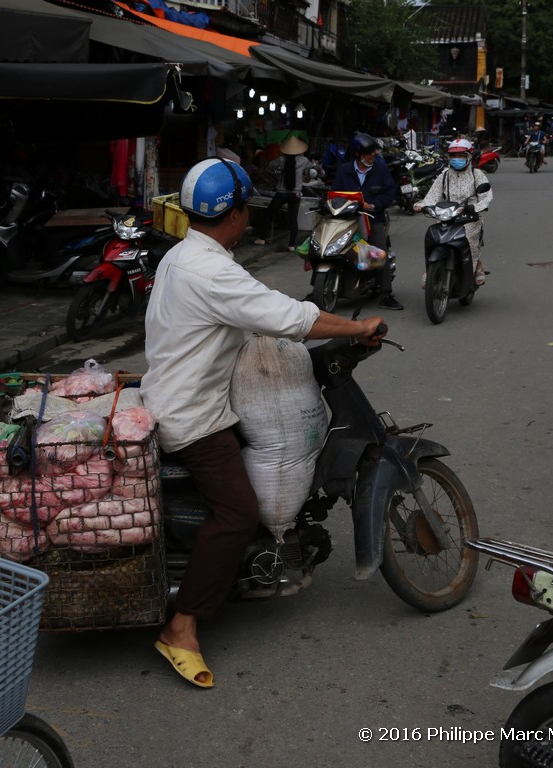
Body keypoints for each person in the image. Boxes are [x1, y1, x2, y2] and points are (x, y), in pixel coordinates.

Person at [141, 158, 386, 689]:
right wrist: (357, 324)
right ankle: (180, 628)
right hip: (192, 414)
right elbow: (289, 317)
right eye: (245, 209)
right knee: (237, 511)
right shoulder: (213, 270)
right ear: (233, 213)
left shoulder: (182, 255)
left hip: (173, 394)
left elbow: (246, 313)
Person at [330, 132, 403, 310]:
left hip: (373, 218)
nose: (374, 155)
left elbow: (389, 193)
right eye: (370, 152)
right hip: (347, 218)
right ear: (358, 154)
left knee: (379, 251)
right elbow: (334, 192)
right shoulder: (345, 170)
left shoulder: (381, 169)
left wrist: (375, 205)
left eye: (374, 152)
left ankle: (386, 293)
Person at [414, 138, 493, 285]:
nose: (457, 159)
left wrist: (474, 207)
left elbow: (486, 197)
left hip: (469, 218)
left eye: (461, 156)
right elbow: (432, 195)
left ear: (468, 156)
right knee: (434, 238)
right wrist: (421, 205)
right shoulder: (444, 176)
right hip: (447, 217)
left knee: (468, 242)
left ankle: (476, 265)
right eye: (454, 156)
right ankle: (431, 268)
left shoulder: (477, 175)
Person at [252, 132, 318, 252]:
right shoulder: (303, 160)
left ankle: (262, 238)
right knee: (293, 219)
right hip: (295, 194)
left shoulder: (281, 160)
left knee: (269, 213)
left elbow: (270, 166)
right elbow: (312, 167)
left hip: (281, 193)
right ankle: (291, 245)